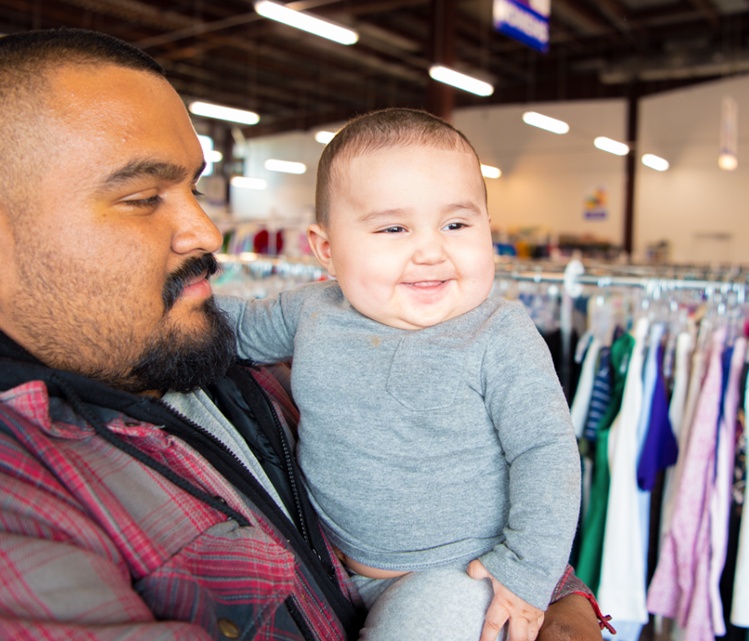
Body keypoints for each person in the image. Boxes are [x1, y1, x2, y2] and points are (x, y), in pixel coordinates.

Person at [0, 29, 611, 640]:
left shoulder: (180, 340)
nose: (206, 232)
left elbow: (501, 459)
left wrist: (550, 584)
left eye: (194, 189)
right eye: (143, 197)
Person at [216, 109, 580, 641]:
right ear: (326, 250)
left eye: (456, 225)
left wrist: (526, 569)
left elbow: (546, 452)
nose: (431, 251)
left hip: (459, 575)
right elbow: (236, 329)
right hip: (331, 566)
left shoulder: (499, 334)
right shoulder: (312, 310)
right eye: (393, 228)